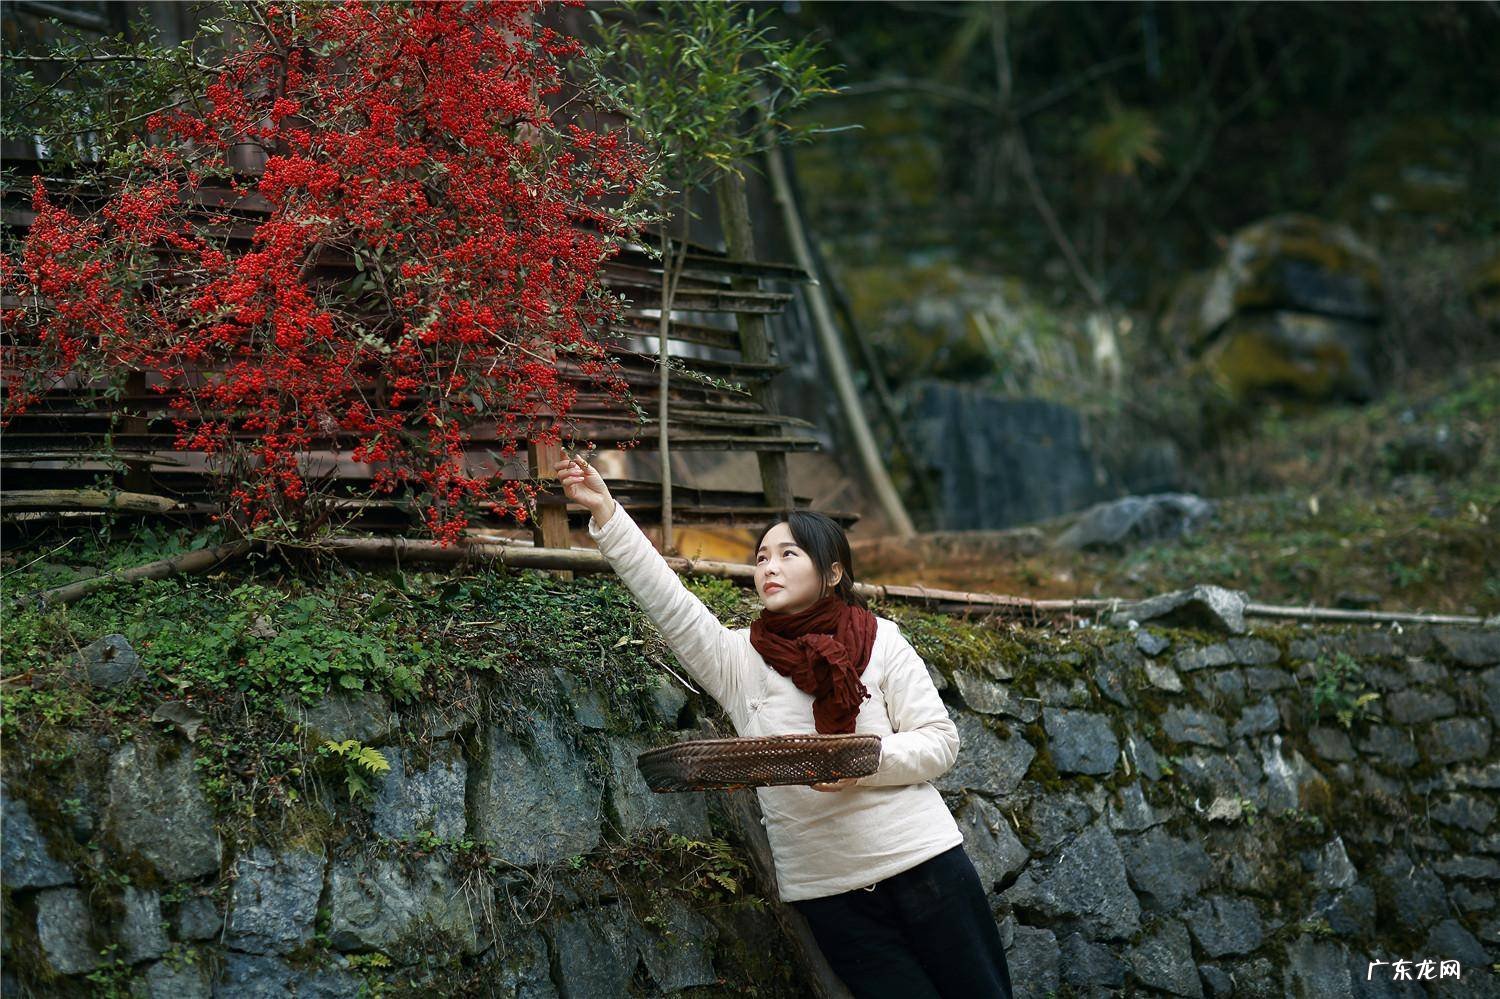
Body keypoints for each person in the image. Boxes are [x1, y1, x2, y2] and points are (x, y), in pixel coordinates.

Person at [555, 453, 1014, 999]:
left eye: (788, 554)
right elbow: (669, 603)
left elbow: (939, 743)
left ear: (833, 572)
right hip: (828, 891)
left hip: (925, 863)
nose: (768, 566)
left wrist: (858, 764)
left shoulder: (882, 640)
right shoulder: (738, 659)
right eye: (761, 556)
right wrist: (608, 514)